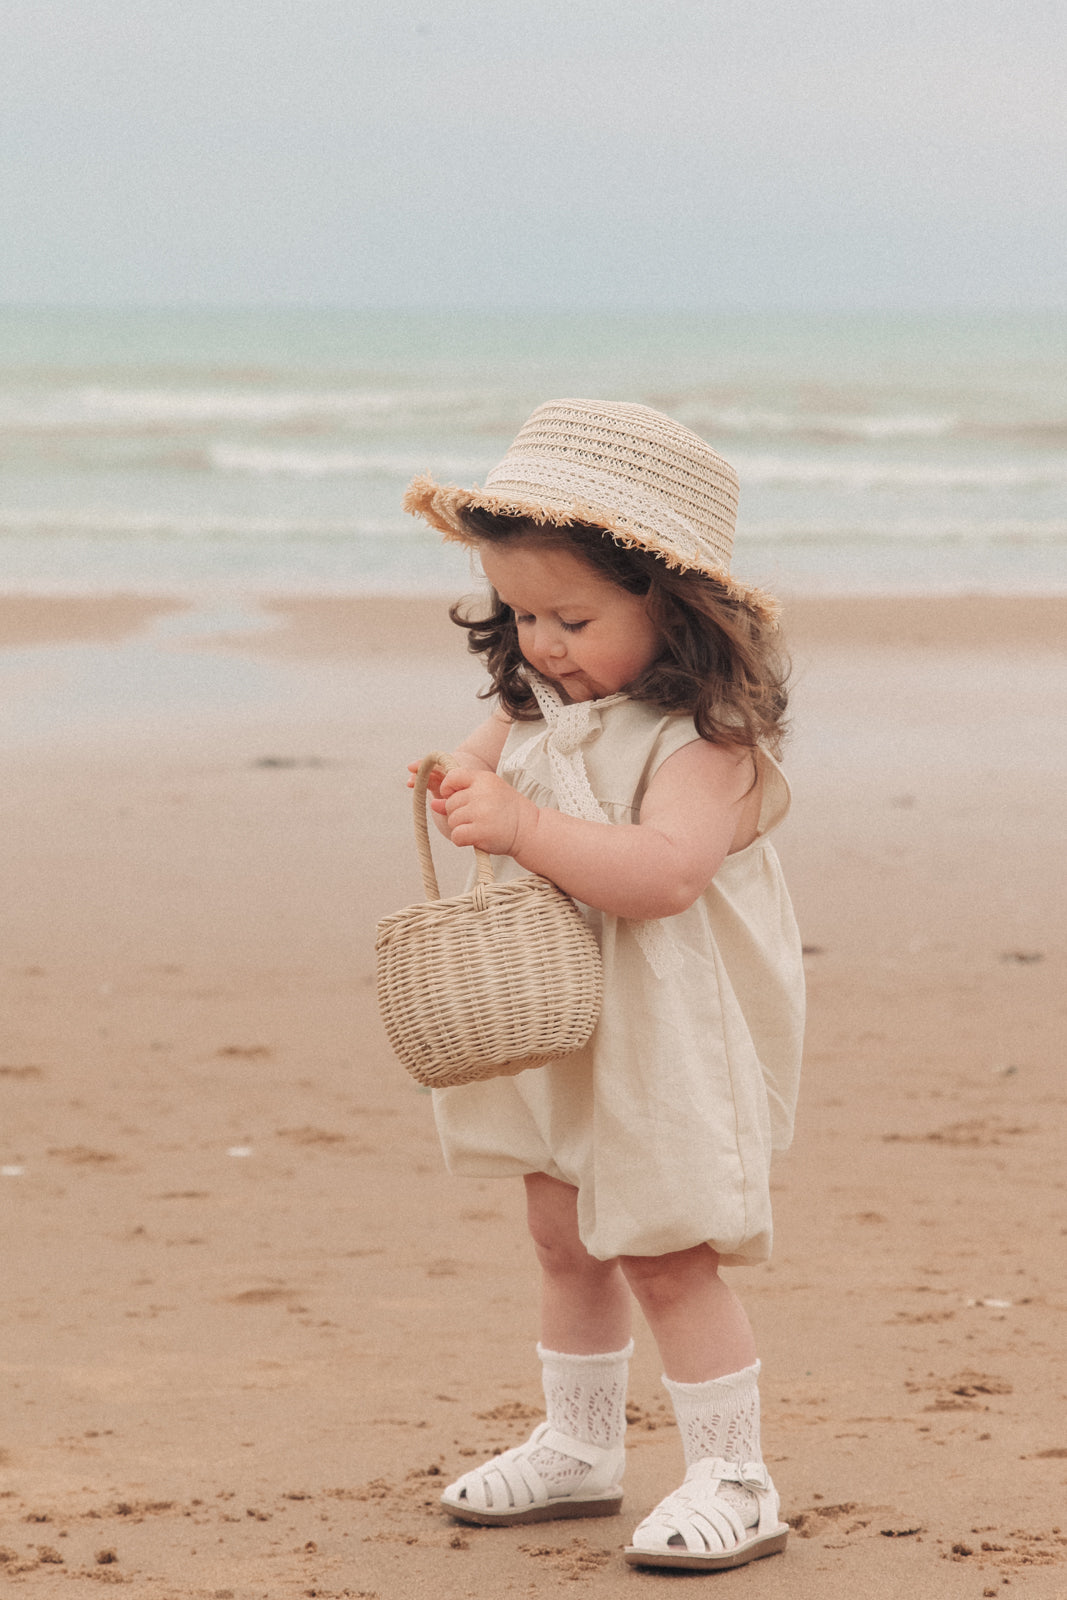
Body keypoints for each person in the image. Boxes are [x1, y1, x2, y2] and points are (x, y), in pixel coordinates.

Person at [401, 398, 804, 1572]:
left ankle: (736, 1475)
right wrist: (460, 776)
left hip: (669, 1025)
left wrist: (519, 824)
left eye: (571, 616)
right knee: (561, 1225)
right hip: (566, 1015)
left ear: (671, 607)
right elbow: (481, 753)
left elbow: (664, 877)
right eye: (521, 613)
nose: (542, 643)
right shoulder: (544, 702)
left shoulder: (702, 743)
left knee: (663, 1242)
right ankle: (579, 1443)